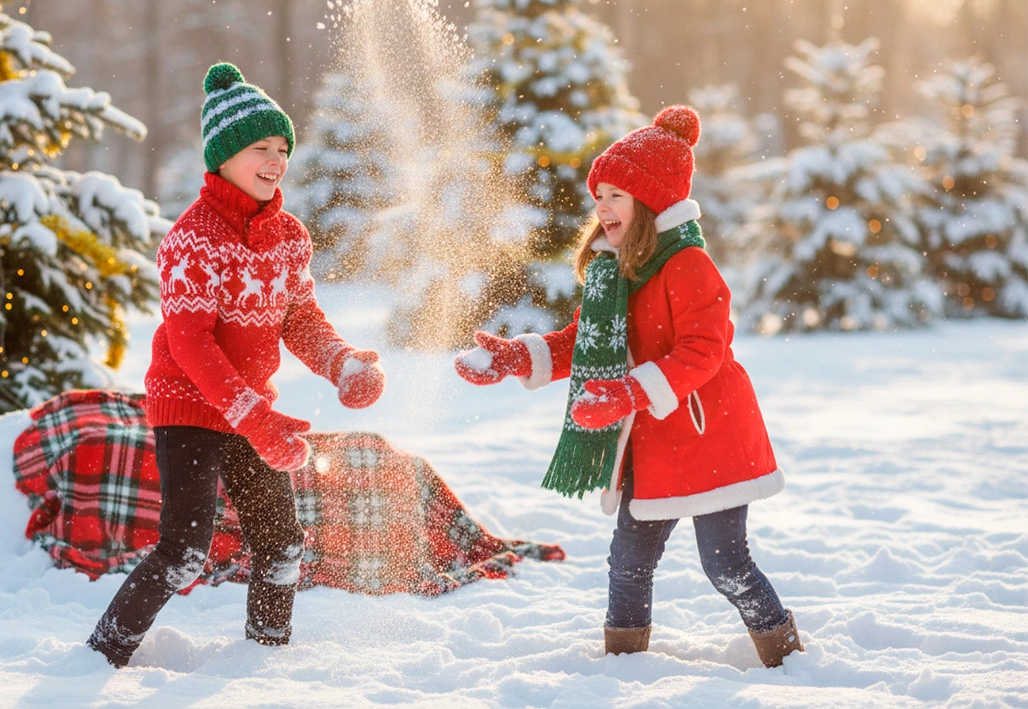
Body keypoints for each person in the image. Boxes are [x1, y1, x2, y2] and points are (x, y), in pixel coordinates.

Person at [453, 106, 804, 668]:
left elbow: (703, 350)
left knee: (725, 564)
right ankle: (621, 664)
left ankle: (785, 655)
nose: (602, 207)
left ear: (653, 202)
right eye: (600, 195)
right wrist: (517, 357)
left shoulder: (687, 264)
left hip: (708, 433)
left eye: (617, 194)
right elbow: (586, 340)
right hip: (651, 441)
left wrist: (629, 393)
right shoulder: (615, 269)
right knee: (628, 559)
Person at [88, 62, 385, 667]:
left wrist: (343, 363)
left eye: (282, 148)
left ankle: (264, 661)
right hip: (190, 408)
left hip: (251, 411)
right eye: (260, 147)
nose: (276, 159)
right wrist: (255, 417)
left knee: (281, 544)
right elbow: (192, 345)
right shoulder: (192, 240)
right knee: (185, 551)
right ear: (222, 155)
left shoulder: (289, 236)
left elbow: (300, 319)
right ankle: (101, 655)